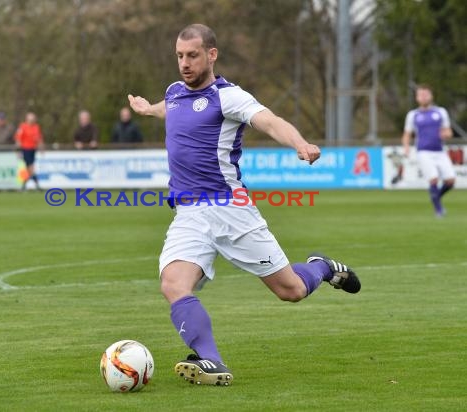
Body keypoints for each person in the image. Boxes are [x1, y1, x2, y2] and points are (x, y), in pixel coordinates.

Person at [128, 24, 361, 387]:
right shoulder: (174, 93)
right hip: (188, 214)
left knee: (291, 291)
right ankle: (211, 361)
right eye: (179, 56)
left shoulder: (229, 97)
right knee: (173, 284)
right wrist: (147, 109)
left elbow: (269, 121)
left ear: (211, 55)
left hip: (231, 210)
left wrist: (299, 143)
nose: (184, 63)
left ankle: (321, 268)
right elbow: (170, 109)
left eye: (192, 55)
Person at [402, 85, 455, 217]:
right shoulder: (413, 115)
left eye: (426, 94)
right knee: (433, 179)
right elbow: (407, 133)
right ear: (417, 98)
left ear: (431, 96)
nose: (424, 97)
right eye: (421, 94)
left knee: (450, 181)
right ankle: (439, 210)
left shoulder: (441, 112)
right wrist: (406, 147)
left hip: (440, 151)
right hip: (423, 151)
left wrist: (446, 135)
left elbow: (448, 131)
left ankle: (435, 197)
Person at [15, 112, 43, 190]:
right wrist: (18, 150)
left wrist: (41, 147)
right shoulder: (22, 127)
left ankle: (24, 186)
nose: (32, 120)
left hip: (33, 149)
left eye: (33, 119)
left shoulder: (36, 127)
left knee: (29, 168)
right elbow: (18, 139)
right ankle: (37, 185)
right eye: (30, 119)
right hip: (25, 149)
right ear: (27, 119)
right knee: (30, 168)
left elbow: (39, 138)